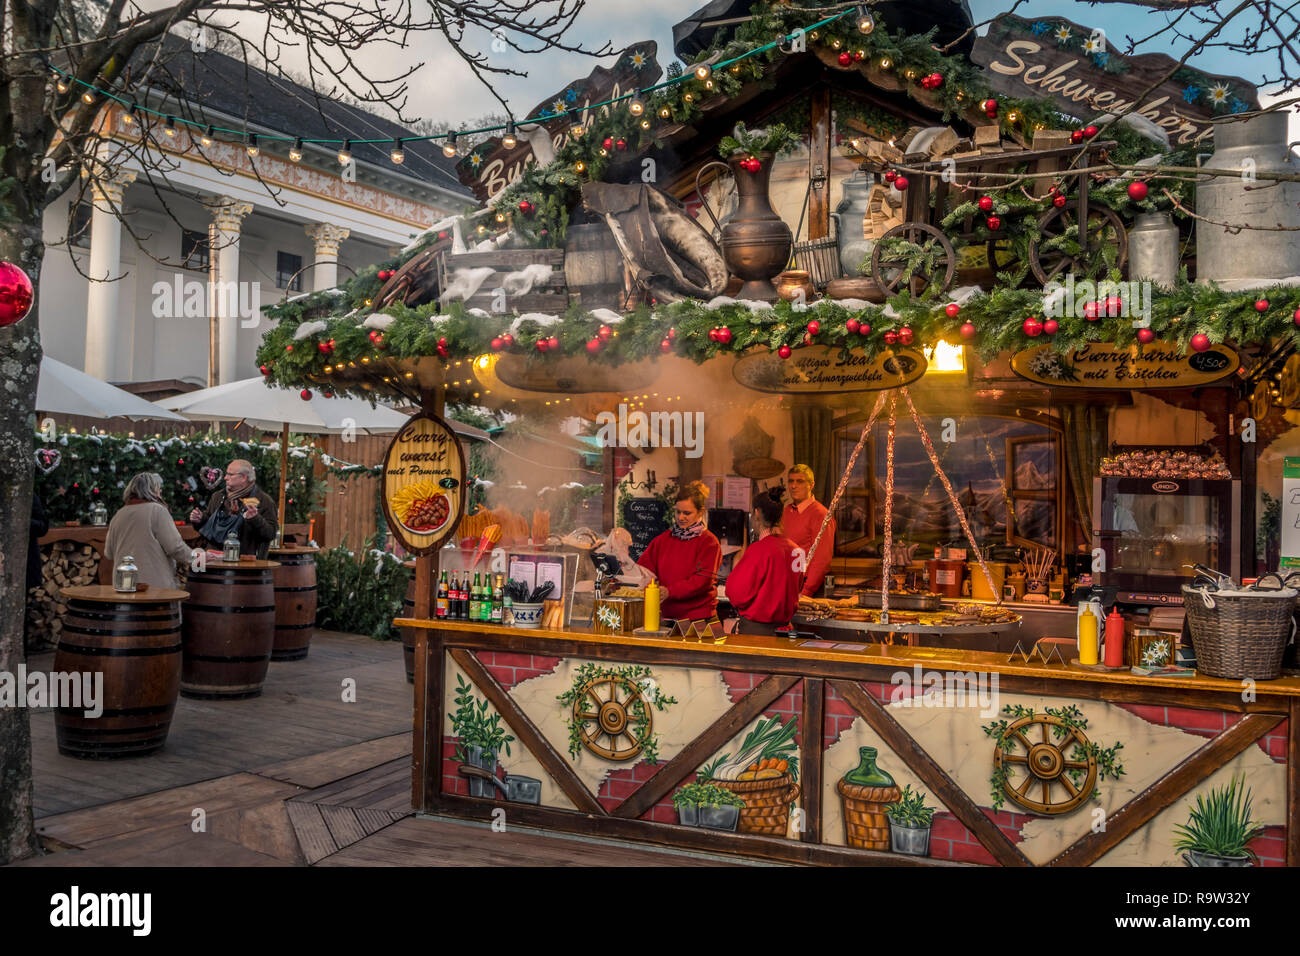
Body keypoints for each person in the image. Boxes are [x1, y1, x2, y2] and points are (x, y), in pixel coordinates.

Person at [636, 480, 721, 623]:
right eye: (678, 512)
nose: (681, 517)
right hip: (666, 617)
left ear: (701, 512)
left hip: (700, 619)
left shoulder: (709, 542)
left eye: (687, 513)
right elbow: (642, 570)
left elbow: (702, 581)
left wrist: (670, 591)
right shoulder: (662, 541)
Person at [725, 488, 801, 634]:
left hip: (757, 631)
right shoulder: (797, 550)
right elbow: (798, 587)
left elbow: (736, 593)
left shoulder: (758, 550)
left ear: (757, 513)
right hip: (786, 629)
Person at [105, 473, 195, 589]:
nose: (160, 493)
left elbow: (109, 553)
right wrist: (199, 558)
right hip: (154, 589)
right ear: (153, 490)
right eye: (159, 489)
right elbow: (175, 547)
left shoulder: (119, 514)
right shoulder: (157, 511)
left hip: (124, 588)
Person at [189, 459, 278, 558]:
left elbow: (270, 534)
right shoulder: (218, 496)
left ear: (244, 477)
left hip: (246, 566)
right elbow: (209, 524)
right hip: (214, 562)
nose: (226, 478)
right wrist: (200, 519)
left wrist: (255, 518)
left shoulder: (264, 501)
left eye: (230, 474)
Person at [782, 464, 836, 597]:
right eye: (791, 481)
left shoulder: (821, 515)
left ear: (811, 485)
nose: (793, 486)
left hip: (806, 587)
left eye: (799, 481)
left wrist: (807, 591)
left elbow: (822, 559)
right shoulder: (786, 511)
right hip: (786, 583)